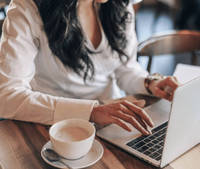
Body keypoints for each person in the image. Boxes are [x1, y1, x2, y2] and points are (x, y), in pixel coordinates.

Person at [0, 0, 178, 135]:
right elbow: (7, 97)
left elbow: (125, 68)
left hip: (113, 120)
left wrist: (149, 83)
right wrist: (91, 111)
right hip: (54, 126)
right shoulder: (27, 9)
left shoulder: (119, 4)